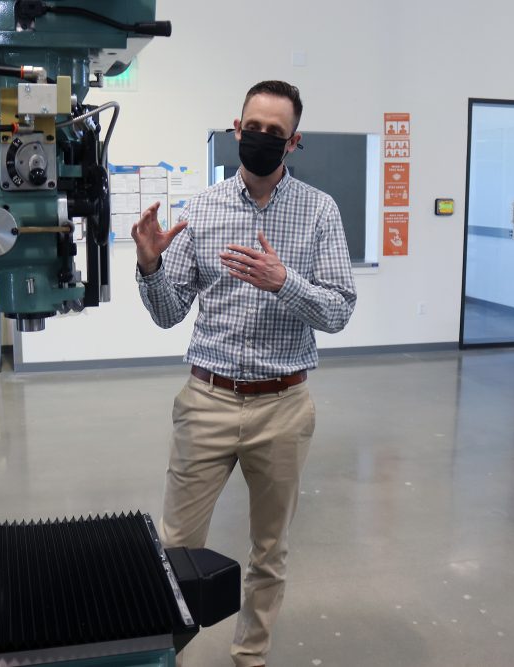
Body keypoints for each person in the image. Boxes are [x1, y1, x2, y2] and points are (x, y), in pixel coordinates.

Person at [131, 80, 356, 666]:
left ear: (294, 142)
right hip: (207, 400)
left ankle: (249, 657)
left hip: (282, 406)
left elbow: (339, 309)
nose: (259, 139)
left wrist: (284, 282)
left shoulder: (319, 213)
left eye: (273, 134)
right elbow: (167, 313)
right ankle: (168, 656)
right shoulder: (203, 209)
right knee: (177, 546)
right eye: (250, 128)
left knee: (269, 550)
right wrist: (149, 266)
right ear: (236, 129)